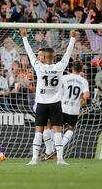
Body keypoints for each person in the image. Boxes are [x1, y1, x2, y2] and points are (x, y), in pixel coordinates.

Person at [21, 28, 76, 166]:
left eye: (41, 56)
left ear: (44, 57)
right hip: (56, 104)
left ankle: (34, 159)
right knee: (58, 132)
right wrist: (72, 39)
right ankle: (60, 159)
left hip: (42, 103)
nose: (39, 57)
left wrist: (24, 38)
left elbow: (29, 53)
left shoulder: (39, 67)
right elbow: (68, 54)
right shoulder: (60, 67)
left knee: (38, 131)